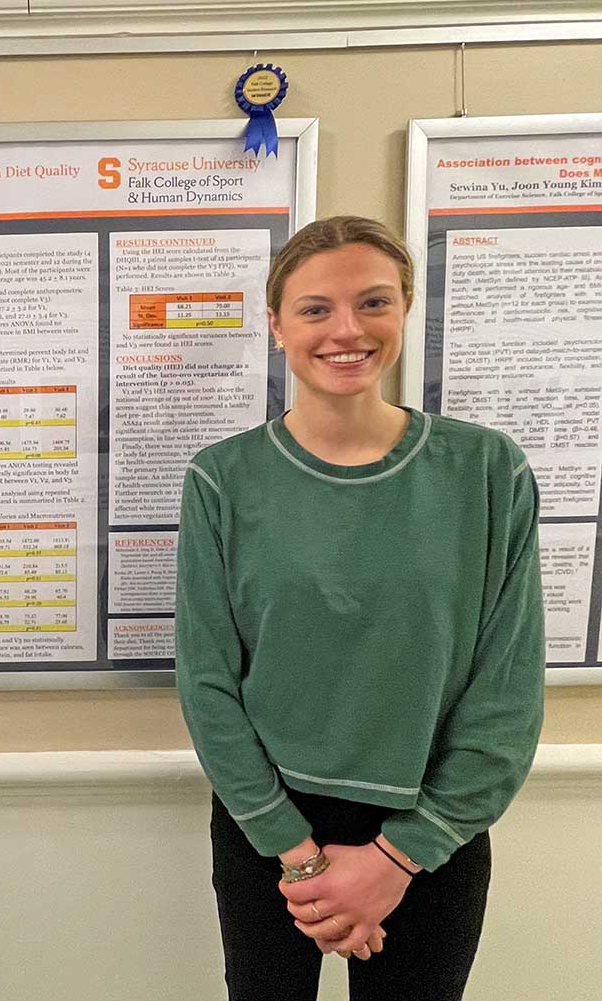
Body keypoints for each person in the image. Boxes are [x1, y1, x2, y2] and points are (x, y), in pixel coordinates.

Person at [175, 216, 545, 1001]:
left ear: (405, 309)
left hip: (430, 829)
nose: (347, 330)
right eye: (315, 309)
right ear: (276, 325)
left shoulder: (488, 473)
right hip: (267, 832)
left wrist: (395, 860)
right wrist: (302, 861)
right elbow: (208, 683)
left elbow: (506, 692)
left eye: (373, 302)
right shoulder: (221, 480)